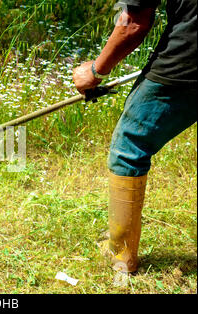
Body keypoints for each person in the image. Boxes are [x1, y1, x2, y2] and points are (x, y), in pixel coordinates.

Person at [72, 0, 197, 273]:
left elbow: (134, 22)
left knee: (130, 145)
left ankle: (121, 255)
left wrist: (95, 71)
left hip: (188, 60)